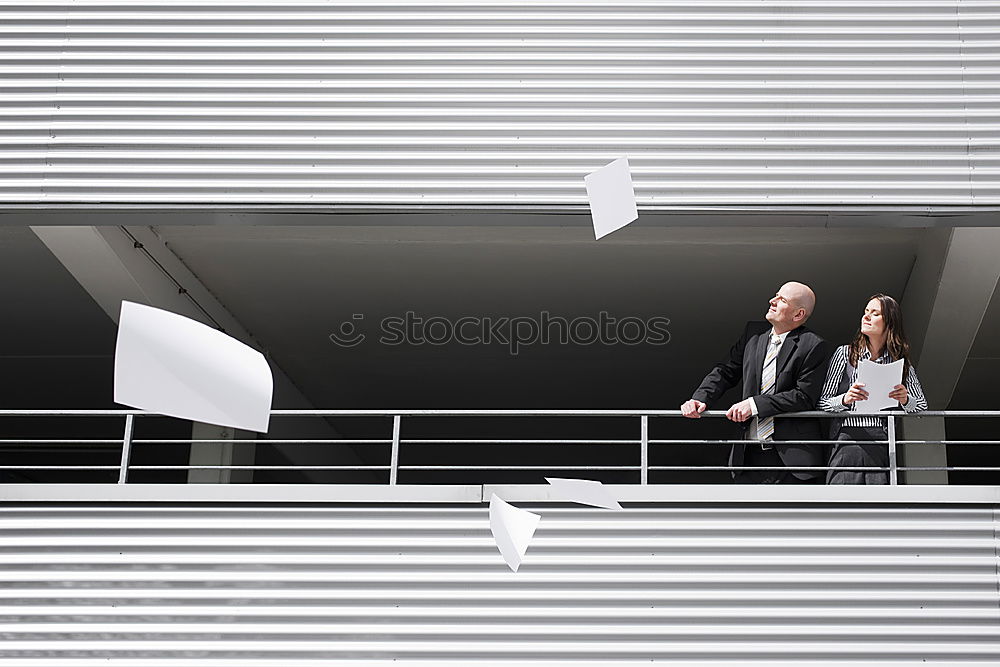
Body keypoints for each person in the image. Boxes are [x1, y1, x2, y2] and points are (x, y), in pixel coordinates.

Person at [681, 282, 832, 483]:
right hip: (748, 456)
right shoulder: (753, 333)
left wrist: (754, 405)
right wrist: (700, 398)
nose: (773, 301)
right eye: (776, 295)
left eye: (782, 300)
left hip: (794, 462)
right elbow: (726, 370)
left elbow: (804, 397)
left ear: (798, 315)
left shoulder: (814, 345)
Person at [818, 293, 927, 484]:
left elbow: (921, 407)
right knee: (842, 502)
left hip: (881, 441)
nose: (866, 317)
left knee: (877, 506)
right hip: (846, 440)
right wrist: (845, 399)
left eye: (875, 313)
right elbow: (822, 403)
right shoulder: (845, 354)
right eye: (866, 312)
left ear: (890, 322)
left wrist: (905, 399)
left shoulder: (899, 362)